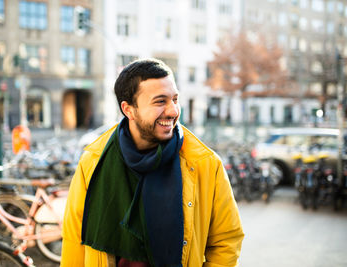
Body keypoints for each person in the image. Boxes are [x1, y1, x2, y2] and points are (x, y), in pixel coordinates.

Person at [61, 58, 244, 267]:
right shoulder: (93, 162)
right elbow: (74, 241)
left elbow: (226, 239)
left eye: (175, 99)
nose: (174, 111)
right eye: (160, 101)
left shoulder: (205, 163)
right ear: (128, 109)